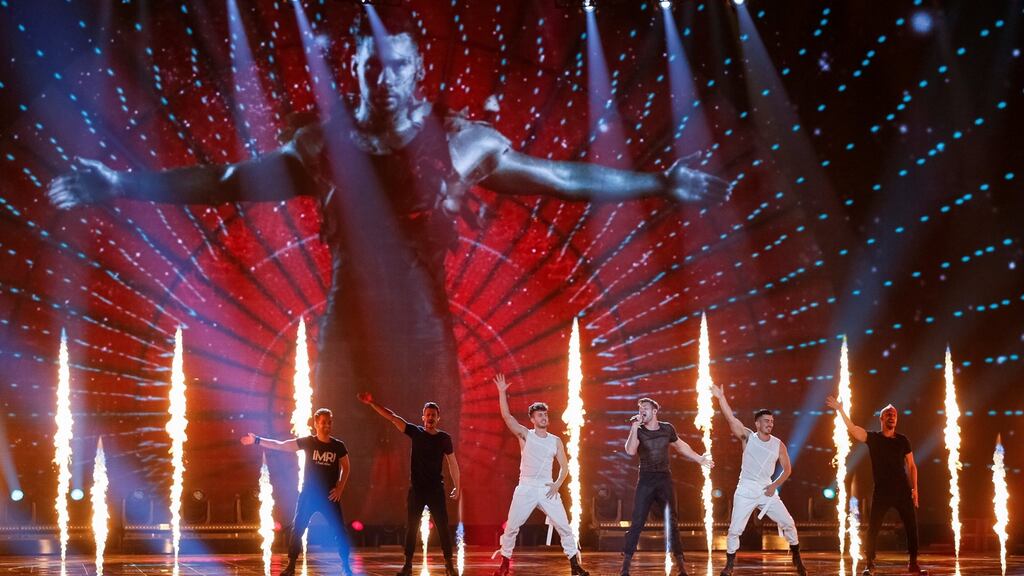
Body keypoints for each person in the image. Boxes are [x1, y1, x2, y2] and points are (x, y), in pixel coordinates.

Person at [46, 14, 731, 510]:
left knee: (435, 462)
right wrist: (119, 183)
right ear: (358, 69)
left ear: (416, 70)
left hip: (424, 329)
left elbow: (562, 178)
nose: (387, 73)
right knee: (333, 455)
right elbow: (226, 180)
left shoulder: (463, 144)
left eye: (400, 62)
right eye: (374, 62)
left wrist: (660, 184)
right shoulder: (322, 145)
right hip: (349, 328)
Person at [491, 373, 589, 576]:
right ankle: (505, 564)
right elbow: (507, 417)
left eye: (545, 414)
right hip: (526, 487)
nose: (544, 417)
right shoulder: (526, 435)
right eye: (539, 415)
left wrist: (557, 484)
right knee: (511, 527)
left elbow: (564, 466)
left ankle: (574, 566)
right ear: (533, 419)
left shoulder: (555, 441)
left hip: (547, 488)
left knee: (564, 527)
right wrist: (502, 393)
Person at [240, 408, 353, 576]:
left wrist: (340, 488)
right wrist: (257, 440)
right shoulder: (309, 442)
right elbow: (281, 445)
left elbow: (346, 467)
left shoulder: (338, 446)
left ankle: (345, 565)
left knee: (339, 530)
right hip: (308, 495)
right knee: (297, 529)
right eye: (323, 423)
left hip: (329, 497)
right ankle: (291, 565)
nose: (327, 426)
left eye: (329, 423)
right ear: (316, 423)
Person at [359, 392, 460, 576]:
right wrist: (372, 403)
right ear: (423, 417)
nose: (430, 418)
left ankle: (449, 565)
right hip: (418, 490)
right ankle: (407, 565)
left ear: (438, 418)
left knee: (443, 527)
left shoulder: (444, 438)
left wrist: (457, 486)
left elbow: (452, 463)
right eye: (427, 415)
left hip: (436, 490)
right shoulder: (415, 432)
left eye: (433, 415)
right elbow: (392, 417)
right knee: (412, 526)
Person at [710, 385, 806, 576]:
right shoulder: (748, 437)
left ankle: (797, 557)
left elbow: (787, 469)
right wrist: (721, 398)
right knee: (735, 529)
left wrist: (774, 485)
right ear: (757, 424)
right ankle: (729, 565)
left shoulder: (778, 444)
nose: (770, 424)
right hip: (746, 488)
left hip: (766, 489)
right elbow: (731, 418)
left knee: (788, 522)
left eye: (771, 421)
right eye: (766, 421)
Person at [827, 397, 926, 575]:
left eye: (894, 415)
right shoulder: (873, 438)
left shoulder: (903, 440)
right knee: (873, 529)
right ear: (881, 419)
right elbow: (853, 429)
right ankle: (870, 563)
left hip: (903, 491)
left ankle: (913, 563)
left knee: (911, 526)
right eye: (888, 414)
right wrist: (840, 410)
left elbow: (912, 465)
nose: (892, 417)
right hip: (882, 492)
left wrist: (915, 489)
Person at [621, 397, 713, 576]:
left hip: (664, 479)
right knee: (638, 521)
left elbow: (681, 446)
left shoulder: (667, 428)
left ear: (655, 411)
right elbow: (630, 450)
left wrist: (700, 459)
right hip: (646, 480)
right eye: (640, 409)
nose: (642, 411)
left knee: (672, 521)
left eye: (645, 408)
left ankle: (681, 565)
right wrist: (633, 427)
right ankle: (625, 565)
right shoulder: (638, 430)